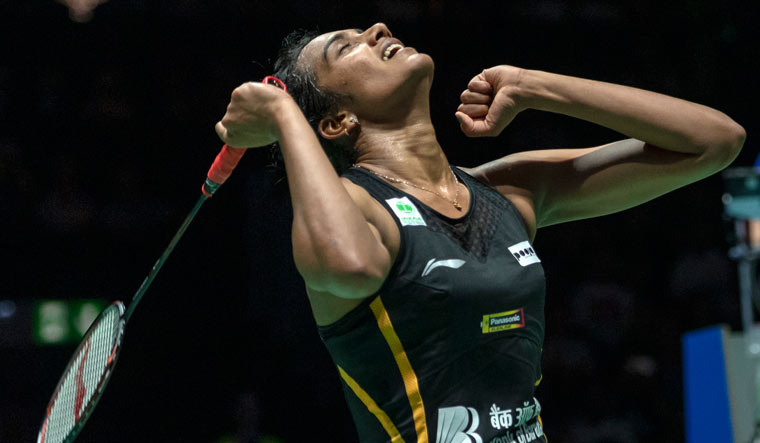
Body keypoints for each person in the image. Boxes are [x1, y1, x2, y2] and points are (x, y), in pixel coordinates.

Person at [214, 23, 745, 443]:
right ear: (336, 121)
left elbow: (714, 142)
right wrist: (285, 117)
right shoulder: (361, 208)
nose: (376, 29)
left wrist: (537, 86)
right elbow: (347, 266)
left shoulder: (507, 192)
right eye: (344, 47)